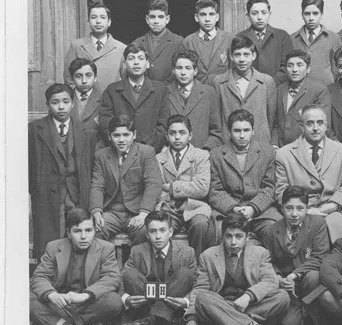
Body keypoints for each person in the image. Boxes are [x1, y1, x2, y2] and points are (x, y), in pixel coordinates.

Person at [178, 211, 290, 325]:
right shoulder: (208, 256)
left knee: (282, 296)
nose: (233, 242)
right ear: (222, 236)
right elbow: (200, 289)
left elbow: (270, 281)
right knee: (203, 298)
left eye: (238, 236)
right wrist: (192, 319)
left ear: (247, 237)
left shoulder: (260, 253)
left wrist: (249, 296)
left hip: (248, 307)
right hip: (221, 305)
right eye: (228, 236)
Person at [29, 208, 122, 325]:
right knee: (26, 297)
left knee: (114, 301)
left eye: (88, 230)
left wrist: (85, 295)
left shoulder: (106, 248)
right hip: (60, 304)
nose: (83, 236)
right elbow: (39, 277)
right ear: (68, 233)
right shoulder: (53, 247)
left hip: (88, 305)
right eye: (77, 231)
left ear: (95, 231)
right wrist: (52, 294)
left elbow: (112, 277)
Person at [29, 83, 97, 259]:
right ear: (47, 105)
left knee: (77, 233)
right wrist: (34, 191)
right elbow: (30, 164)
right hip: (46, 193)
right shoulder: (35, 129)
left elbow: (89, 164)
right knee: (49, 240)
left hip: (76, 193)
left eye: (66, 102)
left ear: (73, 103)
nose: (61, 107)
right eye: (55, 102)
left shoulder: (86, 130)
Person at [275, 104, 342, 242]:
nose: (315, 128)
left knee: (336, 228)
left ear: (326, 125)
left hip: (332, 210)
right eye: (310, 123)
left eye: (320, 123)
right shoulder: (284, 154)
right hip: (299, 211)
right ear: (302, 126)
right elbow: (281, 191)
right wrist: (304, 210)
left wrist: (332, 206)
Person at [118, 211, 197, 325]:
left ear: (170, 232)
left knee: (185, 273)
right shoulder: (137, 251)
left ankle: (151, 322)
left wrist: (186, 301)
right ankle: (161, 320)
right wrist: (126, 299)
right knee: (129, 273)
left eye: (162, 230)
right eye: (153, 231)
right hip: (146, 304)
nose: (158, 236)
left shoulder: (187, 252)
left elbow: (197, 284)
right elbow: (120, 280)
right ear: (147, 234)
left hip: (173, 302)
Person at [263, 186, 330, 325]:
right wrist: (279, 278)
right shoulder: (271, 230)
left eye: (300, 208)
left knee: (314, 276)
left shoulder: (317, 224)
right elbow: (268, 261)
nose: (294, 214)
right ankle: (298, 312)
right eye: (289, 208)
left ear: (307, 208)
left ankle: (312, 312)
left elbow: (321, 256)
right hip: (286, 286)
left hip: (308, 281)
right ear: (282, 208)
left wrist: (295, 275)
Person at [209, 109, 282, 244]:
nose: (242, 136)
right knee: (218, 231)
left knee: (273, 230)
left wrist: (253, 208)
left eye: (246, 130)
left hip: (261, 212)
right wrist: (233, 208)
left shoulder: (267, 152)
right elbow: (215, 190)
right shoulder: (216, 155)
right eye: (237, 131)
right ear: (229, 132)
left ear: (253, 131)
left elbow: (269, 187)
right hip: (228, 212)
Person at [89, 115, 163, 245]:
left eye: (126, 135)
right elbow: (97, 186)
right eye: (116, 135)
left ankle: (136, 259)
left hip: (137, 212)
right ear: (109, 136)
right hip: (111, 212)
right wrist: (96, 211)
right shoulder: (102, 156)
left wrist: (144, 213)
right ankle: (105, 259)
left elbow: (153, 184)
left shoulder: (146, 152)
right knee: (97, 230)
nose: (121, 140)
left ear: (134, 135)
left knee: (144, 232)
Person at [156, 115, 215, 260]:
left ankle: (198, 264)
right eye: (172, 133)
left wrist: (171, 188)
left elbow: (202, 187)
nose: (177, 137)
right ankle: (166, 265)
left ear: (190, 136)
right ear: (167, 136)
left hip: (195, 207)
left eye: (182, 133)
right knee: (158, 226)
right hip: (168, 209)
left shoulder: (201, 156)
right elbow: (157, 189)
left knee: (200, 225)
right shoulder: (158, 158)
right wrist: (181, 193)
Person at [99, 43, 170, 153]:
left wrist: (146, 148)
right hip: (119, 152)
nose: (136, 62)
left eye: (140, 58)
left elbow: (163, 124)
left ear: (147, 63)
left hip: (150, 152)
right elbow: (106, 123)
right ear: (124, 64)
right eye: (131, 58)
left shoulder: (160, 90)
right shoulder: (112, 90)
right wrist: (124, 146)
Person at [210, 36, 277, 145]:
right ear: (231, 56)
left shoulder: (266, 81)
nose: (242, 59)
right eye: (237, 55)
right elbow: (216, 118)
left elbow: (272, 119)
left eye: (246, 54)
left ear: (254, 56)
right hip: (228, 144)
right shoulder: (219, 82)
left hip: (260, 143)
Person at [272, 50, 331, 148]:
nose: (294, 69)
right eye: (290, 66)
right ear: (286, 69)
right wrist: (274, 144)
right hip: (282, 148)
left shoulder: (319, 90)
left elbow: (323, 126)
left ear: (308, 68)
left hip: (307, 148)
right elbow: (275, 124)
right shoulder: (280, 90)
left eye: (299, 65)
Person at [63, 2, 126, 93]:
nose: (98, 21)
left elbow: (126, 80)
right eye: (93, 17)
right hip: (85, 99)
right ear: (88, 21)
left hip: (112, 99)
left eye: (102, 17)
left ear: (109, 22)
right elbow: (69, 79)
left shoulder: (121, 48)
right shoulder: (76, 46)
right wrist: (80, 96)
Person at [168, 49, 221, 151]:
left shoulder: (208, 93)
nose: (183, 72)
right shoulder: (165, 92)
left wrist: (206, 150)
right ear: (173, 70)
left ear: (195, 71)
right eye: (179, 68)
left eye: (188, 68)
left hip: (201, 153)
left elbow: (217, 130)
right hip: (172, 154)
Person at [237, 0, 293, 86]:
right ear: (248, 15)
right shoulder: (240, 37)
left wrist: (271, 83)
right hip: (249, 88)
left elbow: (287, 65)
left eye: (264, 13)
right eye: (254, 13)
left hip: (276, 87)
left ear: (269, 14)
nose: (259, 17)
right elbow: (237, 65)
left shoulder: (282, 36)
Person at [291, 0, 342, 86]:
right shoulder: (293, 38)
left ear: (321, 14)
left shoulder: (333, 38)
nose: (311, 18)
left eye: (315, 13)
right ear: (302, 15)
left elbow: (337, 68)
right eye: (307, 14)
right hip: (300, 89)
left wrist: (330, 83)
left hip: (326, 89)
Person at [131, 0, 184, 83]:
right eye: (152, 17)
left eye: (160, 17)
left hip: (169, 89)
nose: (156, 21)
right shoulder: (137, 43)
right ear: (147, 19)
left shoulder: (179, 42)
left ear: (167, 19)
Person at [182, 0, 234, 84]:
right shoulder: (188, 41)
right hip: (197, 89)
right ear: (196, 17)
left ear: (217, 17)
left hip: (222, 89)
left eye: (211, 14)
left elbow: (233, 69)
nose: (207, 19)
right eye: (203, 14)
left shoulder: (229, 38)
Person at [68, 58, 103, 141]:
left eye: (88, 75)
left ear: (95, 77)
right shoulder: (65, 100)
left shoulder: (104, 100)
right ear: (72, 78)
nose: (84, 81)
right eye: (78, 76)